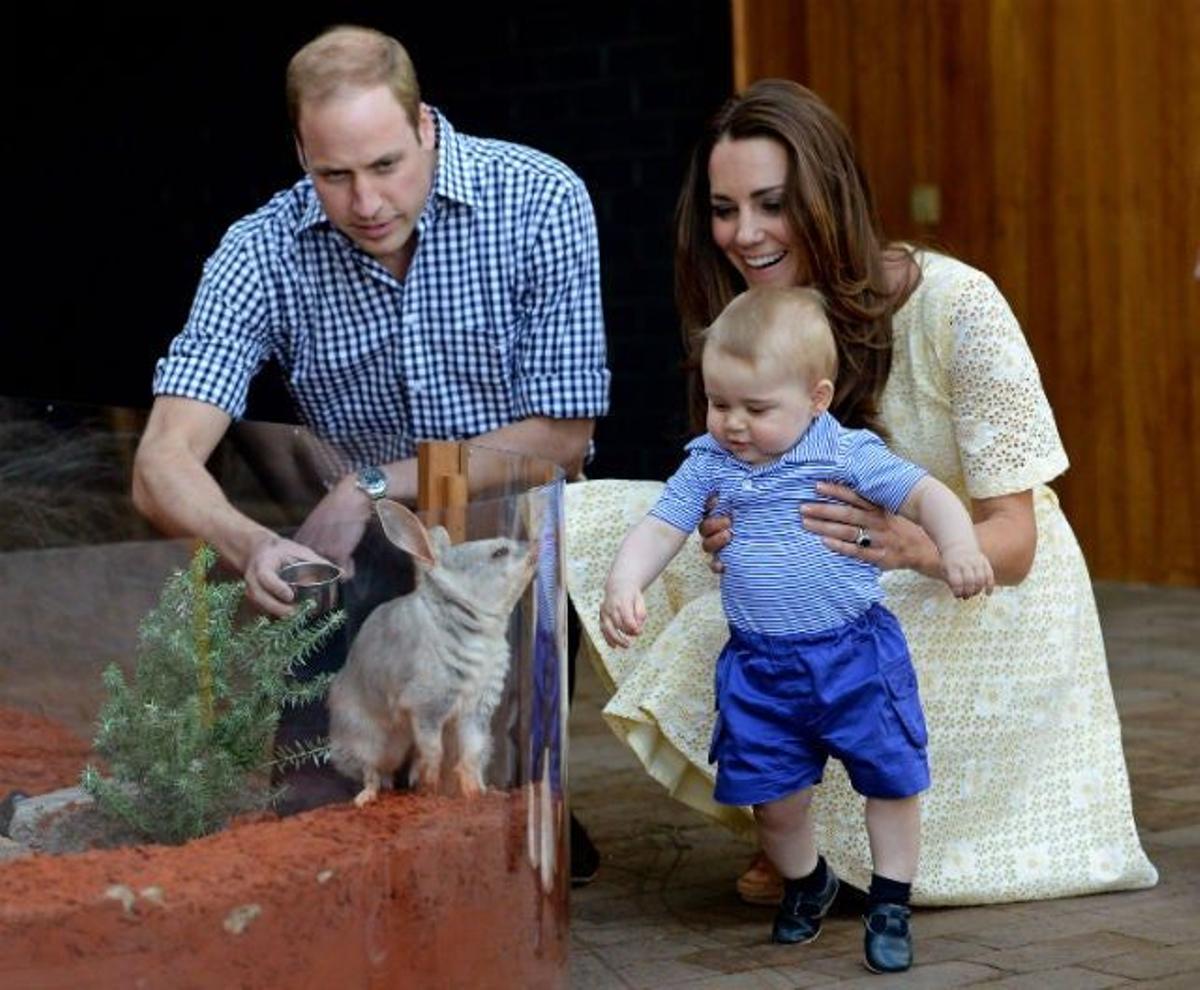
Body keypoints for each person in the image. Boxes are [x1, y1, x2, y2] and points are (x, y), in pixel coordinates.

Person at [564, 79, 1157, 913]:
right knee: (597, 523)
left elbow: (1016, 538)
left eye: (772, 204)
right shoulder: (751, 313)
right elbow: (738, 474)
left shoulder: (959, 304)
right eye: (725, 210)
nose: (745, 234)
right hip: (833, 557)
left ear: (828, 194)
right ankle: (790, 824)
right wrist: (721, 523)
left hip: (972, 579)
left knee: (753, 631)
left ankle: (826, 841)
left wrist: (913, 546)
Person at [130, 25, 607, 880]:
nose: (366, 202)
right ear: (301, 154)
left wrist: (376, 482)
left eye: (386, 164)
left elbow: (563, 435)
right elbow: (161, 462)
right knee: (321, 822)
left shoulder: (540, 197)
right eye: (334, 175)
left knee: (500, 844)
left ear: (425, 125)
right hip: (365, 565)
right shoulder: (261, 250)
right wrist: (253, 545)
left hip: (507, 541)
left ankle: (528, 814)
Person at [601, 286, 992, 971]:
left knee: (891, 779)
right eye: (720, 404)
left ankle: (891, 900)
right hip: (760, 667)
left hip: (853, 655)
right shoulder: (709, 464)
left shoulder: (846, 453)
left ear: (816, 398)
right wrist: (625, 580)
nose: (734, 424)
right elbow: (661, 526)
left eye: (756, 408)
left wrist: (956, 546)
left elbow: (926, 494)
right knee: (773, 804)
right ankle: (810, 883)